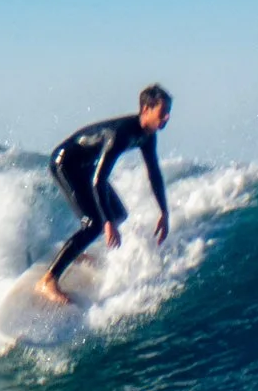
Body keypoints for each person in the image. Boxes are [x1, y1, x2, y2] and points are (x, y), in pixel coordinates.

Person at [40, 85, 172, 302]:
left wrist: (164, 212)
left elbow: (154, 173)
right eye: (162, 112)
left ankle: (75, 253)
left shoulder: (148, 136)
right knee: (95, 223)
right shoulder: (120, 134)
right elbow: (99, 181)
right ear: (146, 109)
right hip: (65, 163)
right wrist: (107, 222)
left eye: (168, 112)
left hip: (84, 166)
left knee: (119, 214)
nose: (166, 117)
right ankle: (48, 280)